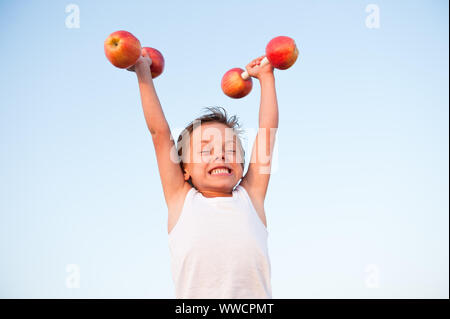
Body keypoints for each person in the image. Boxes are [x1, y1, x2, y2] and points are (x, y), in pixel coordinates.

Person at [130, 50, 278, 298]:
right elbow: (159, 132)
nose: (220, 155)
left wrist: (266, 77)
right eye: (205, 150)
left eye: (231, 149)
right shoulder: (181, 200)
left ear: (242, 166)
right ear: (184, 169)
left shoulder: (250, 197)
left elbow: (267, 131)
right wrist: (143, 71)